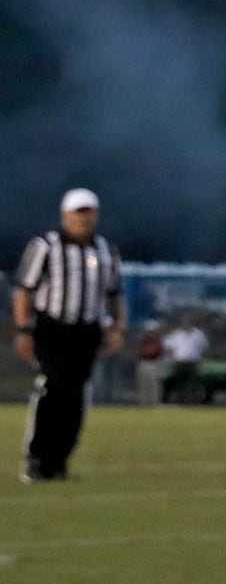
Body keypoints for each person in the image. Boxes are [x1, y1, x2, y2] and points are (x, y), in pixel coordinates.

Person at [13, 188, 119, 482]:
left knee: (76, 396)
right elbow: (25, 290)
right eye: (78, 213)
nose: (83, 219)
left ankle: (58, 460)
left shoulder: (105, 250)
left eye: (88, 213)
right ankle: (37, 458)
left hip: (87, 330)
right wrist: (24, 328)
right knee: (53, 388)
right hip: (54, 327)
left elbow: (114, 293)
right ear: (65, 215)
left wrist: (116, 328)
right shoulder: (46, 246)